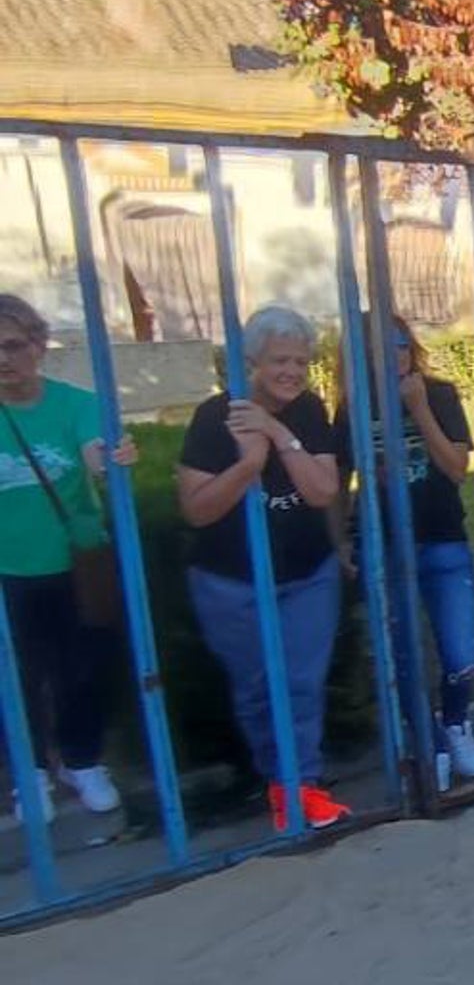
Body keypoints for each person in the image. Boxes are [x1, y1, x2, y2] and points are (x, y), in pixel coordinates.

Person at [177, 304, 350, 830]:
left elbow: (322, 492)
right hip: (231, 579)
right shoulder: (215, 415)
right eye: (280, 360)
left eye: (300, 360)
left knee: (301, 682)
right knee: (256, 687)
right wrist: (249, 464)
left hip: (306, 574)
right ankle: (280, 781)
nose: (292, 372)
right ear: (251, 359)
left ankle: (302, 786)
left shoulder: (308, 410)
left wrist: (278, 435)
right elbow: (198, 509)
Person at [329, 313, 474, 788]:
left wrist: (418, 411)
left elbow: (457, 467)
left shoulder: (437, 393)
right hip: (385, 545)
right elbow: (337, 482)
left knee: (461, 649)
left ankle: (457, 722)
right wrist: (339, 540)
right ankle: (430, 740)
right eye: (382, 347)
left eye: (401, 343)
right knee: (402, 653)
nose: (396, 353)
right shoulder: (351, 408)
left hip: (442, 536)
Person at [0, 294, 137, 823]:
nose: (4, 359)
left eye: (13, 345)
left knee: (81, 668)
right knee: (17, 676)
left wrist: (107, 459)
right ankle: (31, 772)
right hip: (7, 570)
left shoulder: (75, 403)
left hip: (74, 564)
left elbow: (93, 447)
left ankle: (83, 761)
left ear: (38, 345)